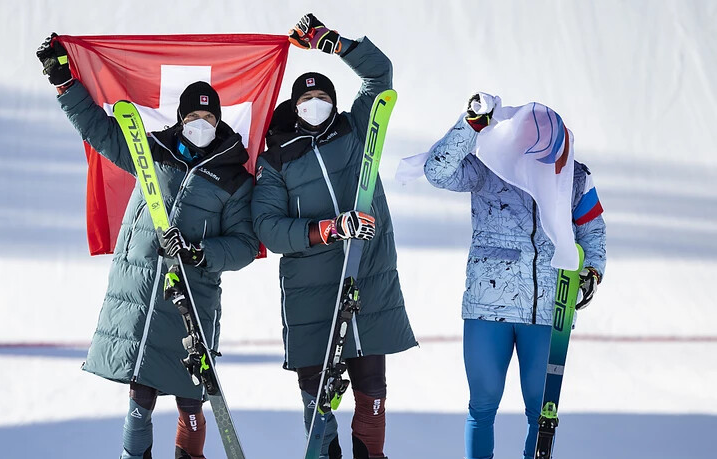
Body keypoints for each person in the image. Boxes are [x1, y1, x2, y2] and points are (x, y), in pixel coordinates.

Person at [36, 34, 259, 459]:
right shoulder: (151, 152)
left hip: (190, 297)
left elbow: (245, 244)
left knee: (193, 402)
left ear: (219, 122)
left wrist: (200, 252)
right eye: (193, 116)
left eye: (208, 118)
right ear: (180, 118)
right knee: (139, 401)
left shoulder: (233, 177)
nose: (200, 124)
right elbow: (100, 132)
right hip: (141, 293)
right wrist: (64, 82)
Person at [251, 14, 416, 459]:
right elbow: (267, 227)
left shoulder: (355, 129)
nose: (316, 103)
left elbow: (379, 75)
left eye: (324, 96)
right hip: (311, 295)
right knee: (318, 402)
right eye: (307, 98)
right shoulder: (275, 160)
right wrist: (328, 229)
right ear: (294, 106)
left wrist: (333, 43)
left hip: (367, 281)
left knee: (372, 394)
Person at [423, 93, 607, 459]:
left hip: (547, 311)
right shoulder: (487, 170)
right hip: (488, 309)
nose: (539, 154)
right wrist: (470, 124)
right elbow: (436, 170)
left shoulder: (574, 177)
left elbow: (592, 231)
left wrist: (591, 272)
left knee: (542, 411)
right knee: (483, 404)